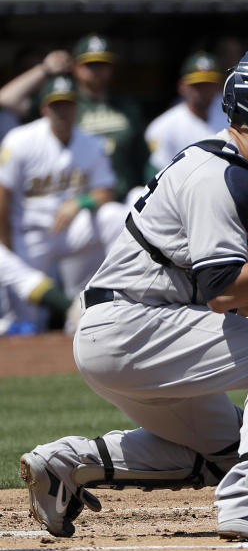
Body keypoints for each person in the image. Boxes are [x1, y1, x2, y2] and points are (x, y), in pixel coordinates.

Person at [19, 50, 248, 541]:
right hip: (134, 324)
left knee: (230, 451)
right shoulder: (220, 176)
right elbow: (225, 290)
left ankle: (67, 463)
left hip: (133, 328)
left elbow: (240, 299)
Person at [0, 75, 125, 331]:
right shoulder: (20, 139)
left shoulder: (91, 142)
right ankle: (68, 308)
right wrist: (7, 244)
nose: (62, 111)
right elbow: (2, 194)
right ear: (44, 107)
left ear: (77, 106)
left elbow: (107, 192)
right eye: (56, 104)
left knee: (113, 214)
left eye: (67, 104)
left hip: (69, 231)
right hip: (28, 235)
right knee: (31, 321)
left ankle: (122, 299)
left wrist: (81, 201)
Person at [72, 34, 147, 201]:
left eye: (103, 64)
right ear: (76, 68)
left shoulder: (127, 106)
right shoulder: (67, 106)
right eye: (90, 64)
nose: (97, 70)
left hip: (125, 196)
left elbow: (141, 156)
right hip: (80, 199)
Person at [144, 51, 225, 177]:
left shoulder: (234, 117)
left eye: (209, 84)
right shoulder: (163, 126)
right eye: (197, 85)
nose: (203, 91)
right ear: (182, 86)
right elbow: (157, 176)